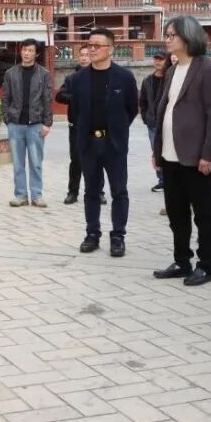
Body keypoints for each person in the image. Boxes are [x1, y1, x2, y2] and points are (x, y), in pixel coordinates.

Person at [152, 16, 211, 286]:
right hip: (170, 155)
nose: (167, 39)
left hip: (196, 158)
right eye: (167, 34)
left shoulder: (209, 70)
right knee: (176, 213)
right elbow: (164, 111)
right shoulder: (172, 70)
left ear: (188, 36)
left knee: (204, 215)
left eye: (172, 35)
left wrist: (207, 154)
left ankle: (205, 266)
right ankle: (182, 261)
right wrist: (157, 151)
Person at [68, 28, 139, 257]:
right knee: (91, 191)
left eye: (97, 45)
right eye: (90, 45)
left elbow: (131, 109)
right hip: (88, 143)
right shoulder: (78, 79)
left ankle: (118, 236)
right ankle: (92, 234)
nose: (92, 49)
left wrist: (117, 129)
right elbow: (76, 111)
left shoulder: (124, 77)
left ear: (110, 49)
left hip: (114, 144)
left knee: (119, 191)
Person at [1, 38, 53, 207]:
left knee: (36, 163)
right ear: (20, 51)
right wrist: (7, 119)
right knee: (18, 164)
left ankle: (37, 196)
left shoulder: (44, 74)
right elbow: (5, 98)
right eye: (24, 50)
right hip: (15, 125)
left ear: (36, 54)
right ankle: (21, 195)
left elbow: (47, 99)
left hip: (36, 125)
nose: (27, 53)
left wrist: (47, 123)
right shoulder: (11, 73)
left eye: (30, 50)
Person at [56, 45, 104, 205]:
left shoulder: (101, 76)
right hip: (76, 127)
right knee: (76, 160)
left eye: (87, 55)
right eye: (82, 55)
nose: (84, 58)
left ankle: (98, 192)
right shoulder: (72, 78)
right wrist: (75, 97)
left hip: (97, 127)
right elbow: (60, 96)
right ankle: (73, 192)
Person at [140, 52, 168, 193]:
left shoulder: (170, 78)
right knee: (156, 152)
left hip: (168, 123)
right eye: (156, 59)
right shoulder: (147, 80)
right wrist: (146, 117)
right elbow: (143, 101)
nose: (158, 62)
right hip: (153, 123)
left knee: (169, 151)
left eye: (161, 59)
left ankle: (171, 180)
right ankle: (162, 180)